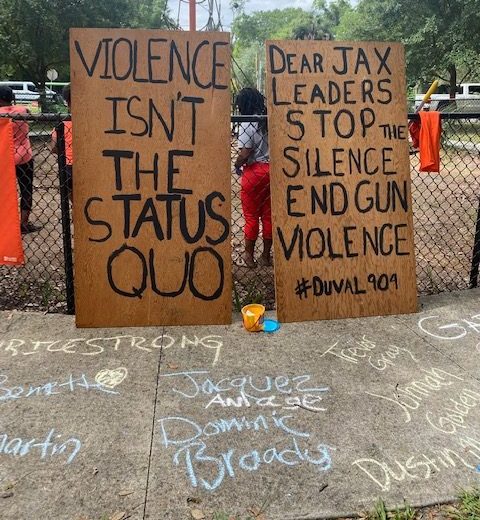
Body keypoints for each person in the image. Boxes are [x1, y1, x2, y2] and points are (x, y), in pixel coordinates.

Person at [234, 87, 272, 268]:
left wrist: (236, 163)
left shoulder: (246, 123)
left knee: (251, 216)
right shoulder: (267, 121)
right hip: (271, 170)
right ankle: (266, 256)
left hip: (254, 172)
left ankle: (248, 256)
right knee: (268, 216)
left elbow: (246, 152)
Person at [0, 85, 40, 233]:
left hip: (5, 156)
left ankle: (5, 221)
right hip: (24, 156)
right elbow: (32, 115)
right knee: (26, 189)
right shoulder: (22, 111)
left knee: (5, 190)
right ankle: (23, 223)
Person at [51, 84, 73, 201]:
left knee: (75, 202)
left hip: (67, 166)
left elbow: (54, 147)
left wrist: (64, 154)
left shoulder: (62, 124)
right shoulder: (92, 123)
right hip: (88, 165)